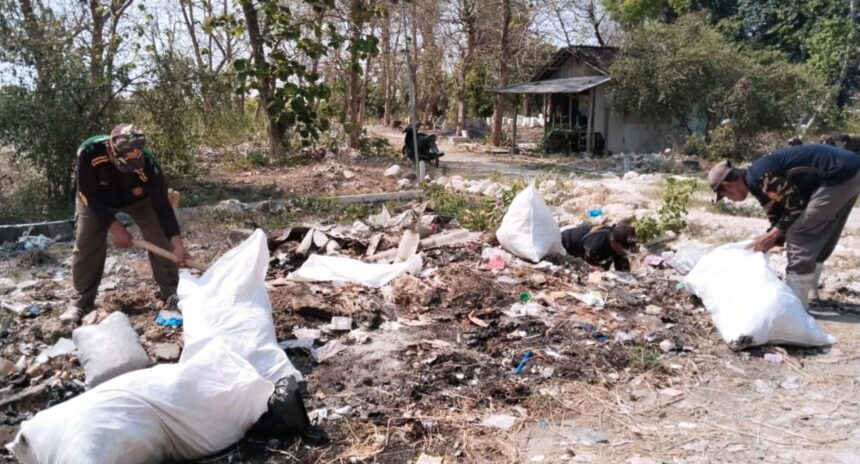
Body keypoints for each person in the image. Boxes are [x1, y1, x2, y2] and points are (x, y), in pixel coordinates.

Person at [60, 124, 192, 322]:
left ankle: (171, 291)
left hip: (139, 200)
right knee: (86, 246)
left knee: (159, 238)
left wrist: (178, 245)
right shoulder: (90, 154)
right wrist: (115, 226)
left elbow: (162, 206)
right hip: (96, 200)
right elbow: (88, 194)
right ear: (112, 151)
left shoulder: (148, 163)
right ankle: (82, 302)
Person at [708, 143, 860, 310]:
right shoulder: (756, 183)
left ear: (728, 186)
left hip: (839, 175)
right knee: (820, 230)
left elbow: (795, 207)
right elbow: (777, 217)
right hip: (848, 171)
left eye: (725, 196)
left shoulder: (762, 178)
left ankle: (795, 308)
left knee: (800, 234)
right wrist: (767, 242)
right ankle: (810, 293)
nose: (730, 199)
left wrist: (773, 235)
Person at [561, 222, 638, 271]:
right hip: (564, 246)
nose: (624, 252)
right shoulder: (595, 248)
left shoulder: (617, 244)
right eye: (623, 249)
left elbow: (624, 271)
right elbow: (590, 270)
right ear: (613, 242)